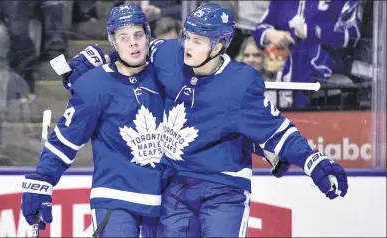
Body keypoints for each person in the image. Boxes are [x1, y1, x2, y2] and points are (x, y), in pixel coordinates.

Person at [57, 3, 348, 237]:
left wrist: (313, 162)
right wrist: (99, 63)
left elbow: (278, 132)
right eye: (186, 36)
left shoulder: (240, 83)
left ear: (219, 46)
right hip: (175, 185)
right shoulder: (169, 55)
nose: (187, 46)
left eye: (197, 41)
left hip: (223, 188)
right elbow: (135, 52)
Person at [21, 4, 166, 237]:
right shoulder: (94, 85)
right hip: (115, 197)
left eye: (138, 35)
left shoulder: (166, 74)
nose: (133, 43)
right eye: (124, 37)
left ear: (148, 36)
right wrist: (42, 179)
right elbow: (66, 139)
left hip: (166, 198)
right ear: (113, 41)